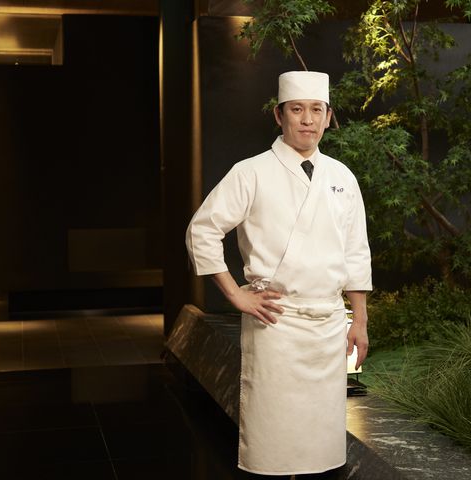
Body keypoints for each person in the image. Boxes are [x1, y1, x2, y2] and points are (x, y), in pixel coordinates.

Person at [185, 71, 372, 479]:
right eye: (297, 109)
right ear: (279, 115)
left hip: (327, 326)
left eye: (316, 110)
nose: (307, 119)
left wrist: (358, 319)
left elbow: (356, 251)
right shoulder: (251, 172)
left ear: (328, 118)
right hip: (276, 323)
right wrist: (234, 293)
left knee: (323, 452)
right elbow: (202, 230)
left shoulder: (342, 177)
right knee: (270, 446)